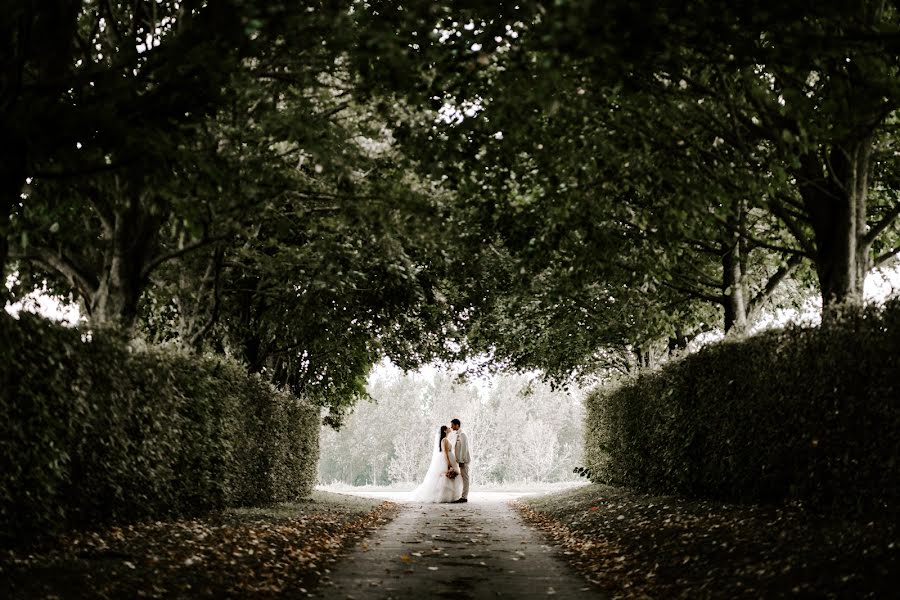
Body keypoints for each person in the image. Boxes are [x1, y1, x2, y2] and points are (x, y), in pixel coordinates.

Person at [409, 425, 463, 503]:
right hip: (446, 459)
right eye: (448, 428)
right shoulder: (444, 440)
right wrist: (448, 463)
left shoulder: (446, 439)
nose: (449, 428)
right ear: (445, 431)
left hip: (450, 458)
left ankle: (450, 495)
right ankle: (444, 495)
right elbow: (445, 453)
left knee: (449, 477)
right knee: (445, 477)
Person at [450, 418, 471, 503]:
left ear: (457, 425)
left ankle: (464, 497)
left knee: (465, 478)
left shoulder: (462, 434)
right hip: (460, 461)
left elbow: (464, 448)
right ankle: (462, 496)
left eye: (452, 425)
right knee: (463, 478)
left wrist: (462, 460)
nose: (451, 427)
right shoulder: (458, 434)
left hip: (464, 461)